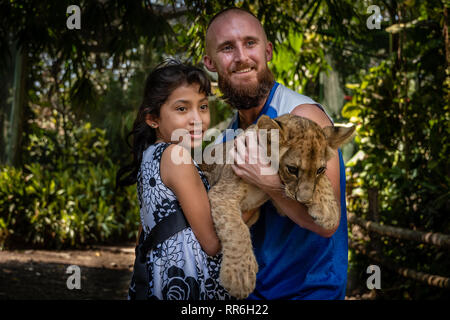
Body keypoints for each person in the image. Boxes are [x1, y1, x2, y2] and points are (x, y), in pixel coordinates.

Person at [203, 7, 349, 299]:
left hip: (309, 291)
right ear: (210, 62)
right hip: (252, 293)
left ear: (268, 51)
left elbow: (326, 225)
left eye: (250, 43)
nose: (242, 56)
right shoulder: (228, 135)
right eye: (228, 48)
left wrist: (268, 181)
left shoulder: (303, 115)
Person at [117, 60, 231, 300]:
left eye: (202, 107)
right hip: (186, 280)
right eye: (182, 109)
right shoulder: (176, 156)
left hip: (158, 278)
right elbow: (211, 243)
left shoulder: (151, 156)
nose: (196, 118)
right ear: (153, 118)